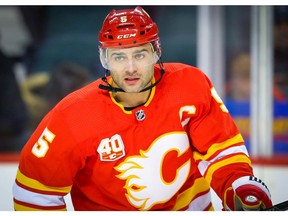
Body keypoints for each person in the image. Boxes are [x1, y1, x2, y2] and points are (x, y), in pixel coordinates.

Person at [13, 6, 273, 211]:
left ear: (156, 52)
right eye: (119, 56)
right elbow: (35, 194)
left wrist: (238, 186)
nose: (130, 68)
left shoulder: (190, 85)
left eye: (139, 54)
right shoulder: (71, 117)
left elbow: (220, 152)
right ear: (105, 59)